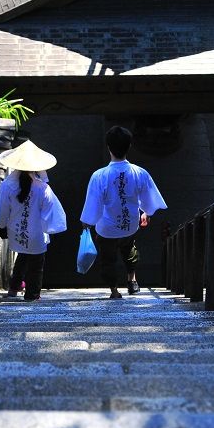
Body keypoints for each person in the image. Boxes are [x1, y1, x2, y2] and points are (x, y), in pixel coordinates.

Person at [80, 126, 167, 299]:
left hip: (106, 228)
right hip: (130, 225)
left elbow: (93, 204)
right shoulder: (139, 172)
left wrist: (87, 221)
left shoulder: (100, 175)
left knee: (108, 259)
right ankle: (132, 279)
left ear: (109, 147)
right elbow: (148, 199)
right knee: (129, 250)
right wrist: (146, 213)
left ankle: (114, 290)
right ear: (129, 147)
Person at [0, 140, 67, 301]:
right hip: (37, 232)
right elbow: (51, 212)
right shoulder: (43, 188)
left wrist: (2, 225)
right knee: (36, 263)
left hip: (16, 230)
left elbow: (2, 210)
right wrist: (49, 228)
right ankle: (32, 294)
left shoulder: (7, 185)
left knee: (22, 256)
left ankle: (14, 288)